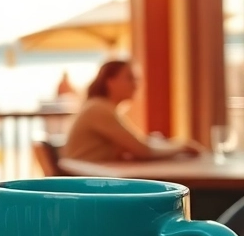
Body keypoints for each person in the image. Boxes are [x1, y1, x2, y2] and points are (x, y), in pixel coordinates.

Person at [62, 60, 200, 162]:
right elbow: (143, 151)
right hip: (84, 185)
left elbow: (134, 146)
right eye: (130, 78)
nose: (136, 85)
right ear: (110, 82)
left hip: (88, 179)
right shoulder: (98, 109)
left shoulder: (100, 107)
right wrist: (182, 147)